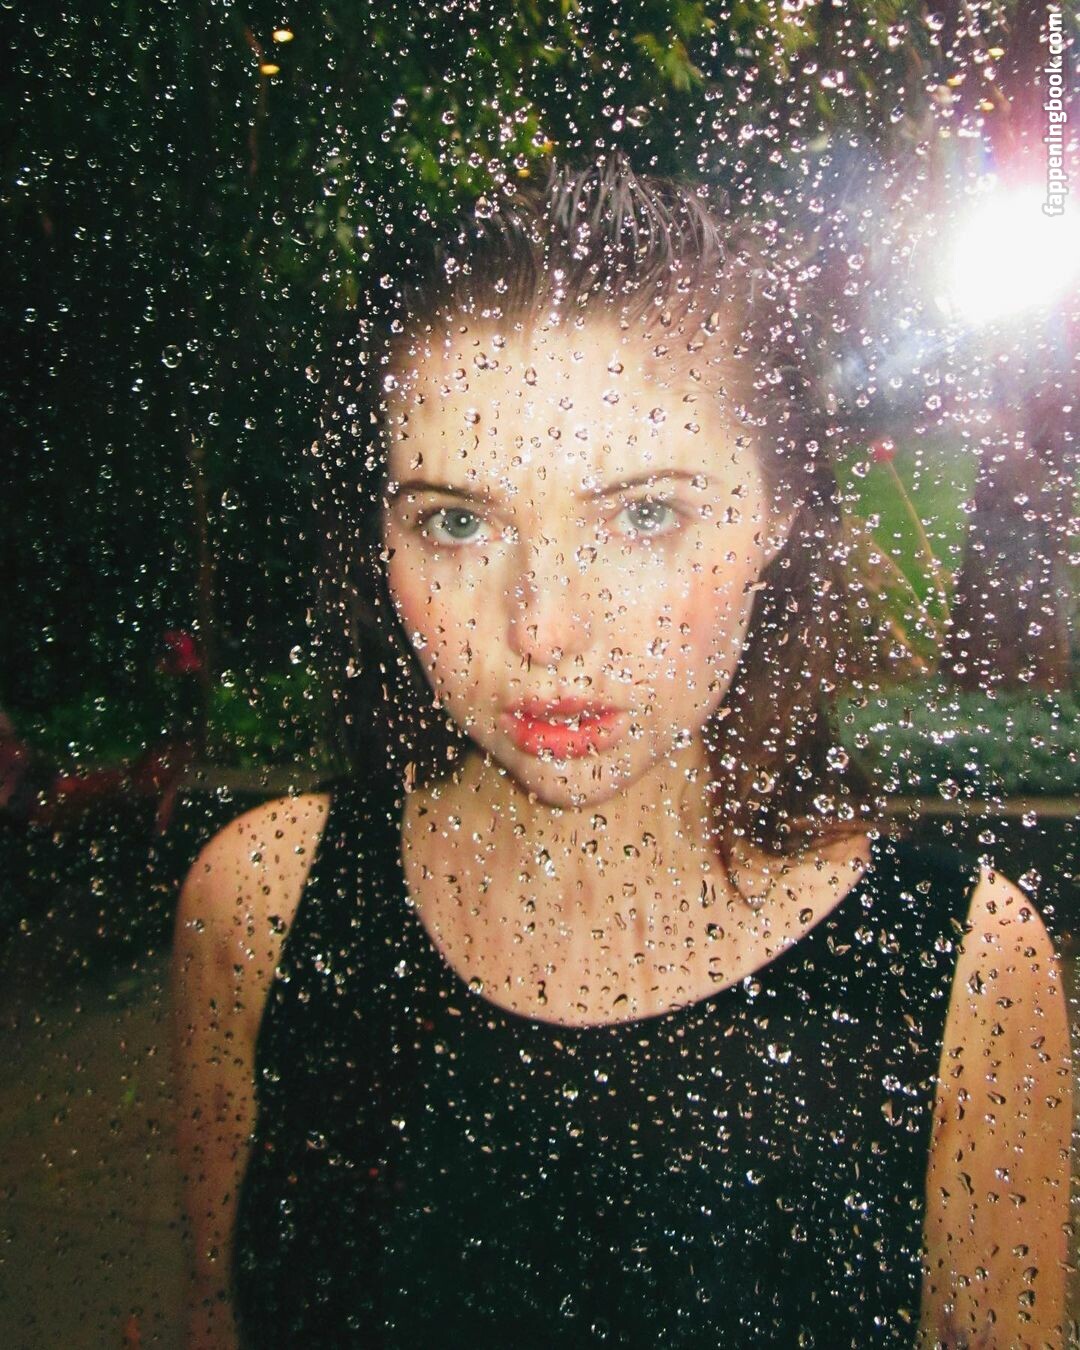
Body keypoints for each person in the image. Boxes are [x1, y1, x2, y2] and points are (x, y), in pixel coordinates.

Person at [170, 153, 1072, 1348]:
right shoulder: (263, 906)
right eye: (457, 521)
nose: (545, 629)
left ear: (779, 515)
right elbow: (214, 1313)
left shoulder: (959, 970)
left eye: (645, 513)